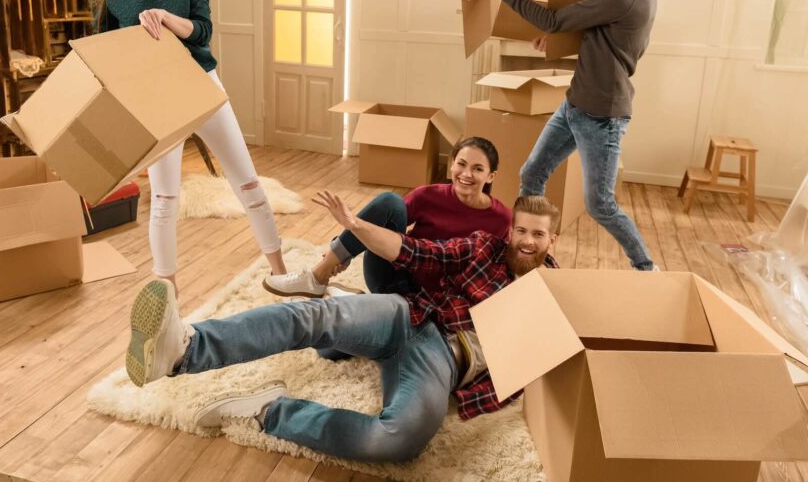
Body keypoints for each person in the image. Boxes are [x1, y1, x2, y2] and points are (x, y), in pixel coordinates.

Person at [124, 193, 560, 463]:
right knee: (314, 316)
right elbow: (418, 252)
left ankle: (268, 411)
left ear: (552, 240)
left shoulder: (558, 297)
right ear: (511, 228)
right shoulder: (485, 246)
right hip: (412, 316)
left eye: (537, 235)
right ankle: (185, 347)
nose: (526, 240)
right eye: (521, 229)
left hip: (442, 364)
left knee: (398, 442)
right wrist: (357, 227)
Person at [89, 0, 290, 291]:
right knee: (164, 199)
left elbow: (202, 30)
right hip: (156, 98)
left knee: (248, 181)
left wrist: (166, 18)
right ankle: (167, 290)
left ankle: (281, 272)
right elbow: (105, 51)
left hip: (201, 84)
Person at [459, 0, 684, 271]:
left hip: (601, 115)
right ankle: (529, 251)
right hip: (576, 103)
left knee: (600, 204)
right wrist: (559, 41)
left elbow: (554, 19)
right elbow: (607, 39)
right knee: (532, 174)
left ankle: (646, 268)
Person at [262, 136, 512, 299]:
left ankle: (353, 299)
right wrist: (341, 253)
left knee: (334, 349)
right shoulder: (428, 196)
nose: (466, 174)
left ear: (491, 176)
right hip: (394, 276)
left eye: (478, 169)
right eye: (462, 164)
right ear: (451, 166)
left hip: (442, 299)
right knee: (390, 202)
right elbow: (381, 219)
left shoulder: (501, 219)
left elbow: (495, 272)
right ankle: (317, 277)